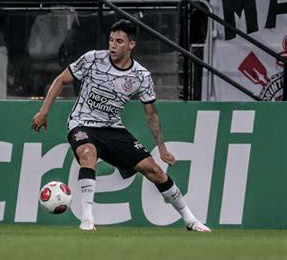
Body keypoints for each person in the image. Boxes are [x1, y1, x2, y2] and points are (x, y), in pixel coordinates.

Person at [31, 19, 211, 232]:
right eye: (110, 40)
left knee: (153, 170)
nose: (112, 45)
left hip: (112, 128)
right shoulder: (93, 59)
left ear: (131, 45)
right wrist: (44, 111)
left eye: (119, 41)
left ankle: (190, 219)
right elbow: (61, 79)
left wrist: (161, 148)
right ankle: (87, 219)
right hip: (82, 123)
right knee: (88, 153)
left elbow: (151, 114)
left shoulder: (141, 76)